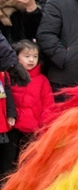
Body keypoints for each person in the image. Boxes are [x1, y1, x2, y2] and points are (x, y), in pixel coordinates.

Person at [2, 41, 52, 172]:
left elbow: (48, 105)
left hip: (31, 129)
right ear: (16, 57)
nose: (31, 60)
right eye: (27, 56)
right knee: (8, 159)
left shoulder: (42, 80)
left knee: (27, 161)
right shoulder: (8, 76)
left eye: (35, 57)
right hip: (11, 127)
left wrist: (44, 127)